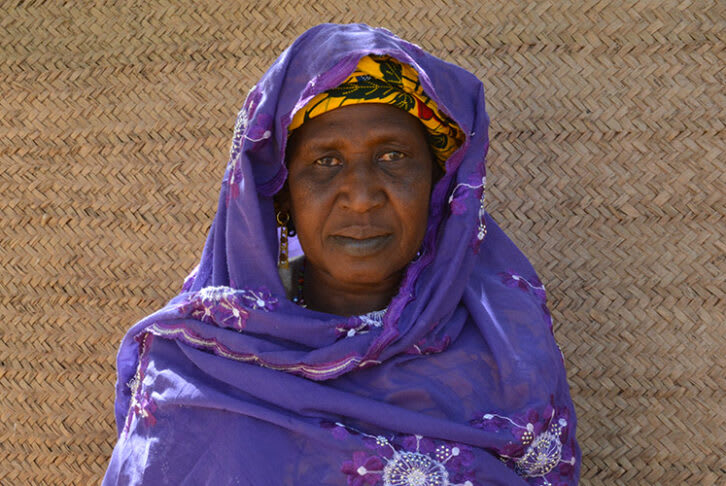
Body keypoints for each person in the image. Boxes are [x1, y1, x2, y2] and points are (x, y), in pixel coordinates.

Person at [103, 23, 580, 485]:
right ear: (282, 196)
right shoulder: (196, 368)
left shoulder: (508, 355)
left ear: (438, 191)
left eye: (392, 156)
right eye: (325, 162)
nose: (361, 195)